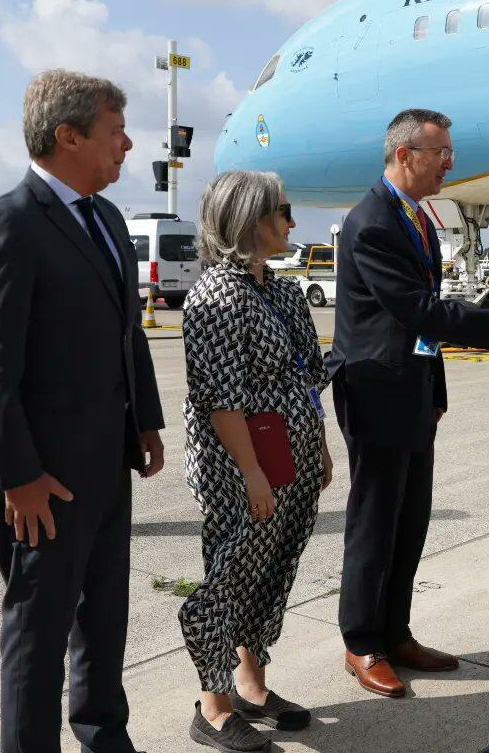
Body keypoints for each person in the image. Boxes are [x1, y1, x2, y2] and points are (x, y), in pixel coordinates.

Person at [0, 69, 165, 753]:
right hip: (38, 480)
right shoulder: (8, 223)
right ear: (66, 134)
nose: (128, 144)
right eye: (114, 131)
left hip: (107, 461)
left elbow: (126, 328)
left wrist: (147, 420)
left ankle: (105, 736)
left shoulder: (104, 219)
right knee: (38, 636)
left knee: (105, 620)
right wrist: (17, 474)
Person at [329, 108, 489, 699]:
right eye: (440, 151)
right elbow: (419, 312)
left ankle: (395, 632)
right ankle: (361, 642)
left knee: (410, 519)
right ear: (404, 155)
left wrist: (437, 389)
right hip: (376, 391)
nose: (450, 161)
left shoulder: (415, 216)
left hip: (412, 390)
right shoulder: (371, 222)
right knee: (375, 522)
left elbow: (423, 320)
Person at [178, 170, 330, 752]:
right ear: (247, 220)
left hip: (290, 457)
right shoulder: (215, 295)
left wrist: (318, 445)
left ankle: (251, 684)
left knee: (271, 571)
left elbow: (308, 377)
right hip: (242, 465)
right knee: (231, 571)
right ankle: (213, 706)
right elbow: (218, 398)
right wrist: (252, 473)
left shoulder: (285, 291)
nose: (293, 222)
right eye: (283, 211)